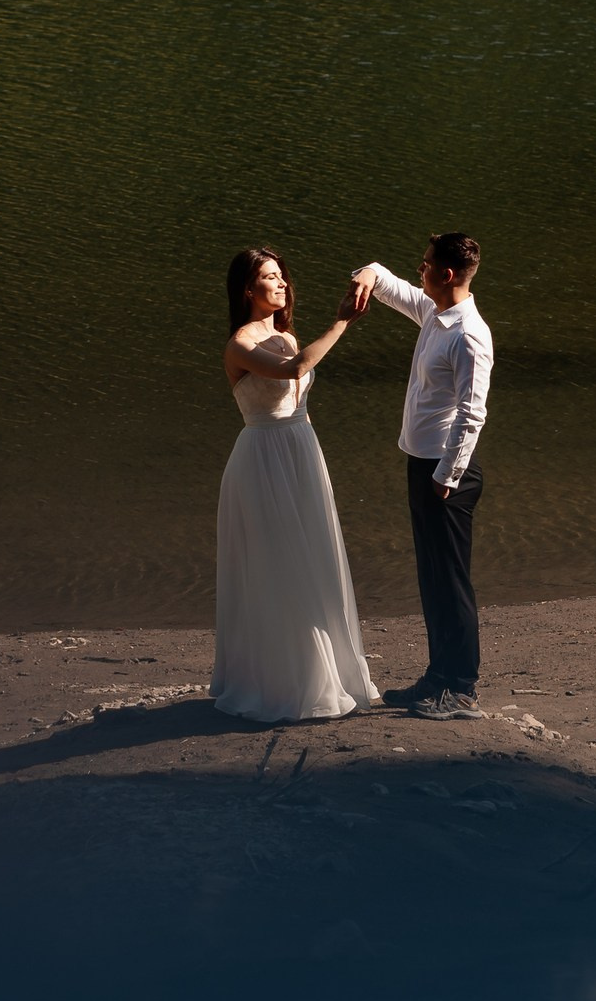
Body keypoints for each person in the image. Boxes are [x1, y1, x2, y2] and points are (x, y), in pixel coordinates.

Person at [211, 248, 381, 722]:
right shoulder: (240, 344)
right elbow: (295, 369)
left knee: (313, 559)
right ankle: (281, 683)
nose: (282, 283)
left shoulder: (283, 334)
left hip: (302, 449)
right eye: (270, 277)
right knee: (276, 566)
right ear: (248, 289)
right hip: (263, 459)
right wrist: (342, 322)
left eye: (283, 276)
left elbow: (297, 368)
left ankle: (325, 674)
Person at [347, 233, 494, 721]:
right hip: (422, 463)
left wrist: (446, 476)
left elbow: (472, 415)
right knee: (431, 578)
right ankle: (437, 677)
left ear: (445, 275)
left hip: (447, 475)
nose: (419, 270)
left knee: (451, 580)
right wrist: (367, 272)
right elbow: (389, 285)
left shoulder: (469, 334)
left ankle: (463, 687)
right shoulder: (433, 312)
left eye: (426, 264)